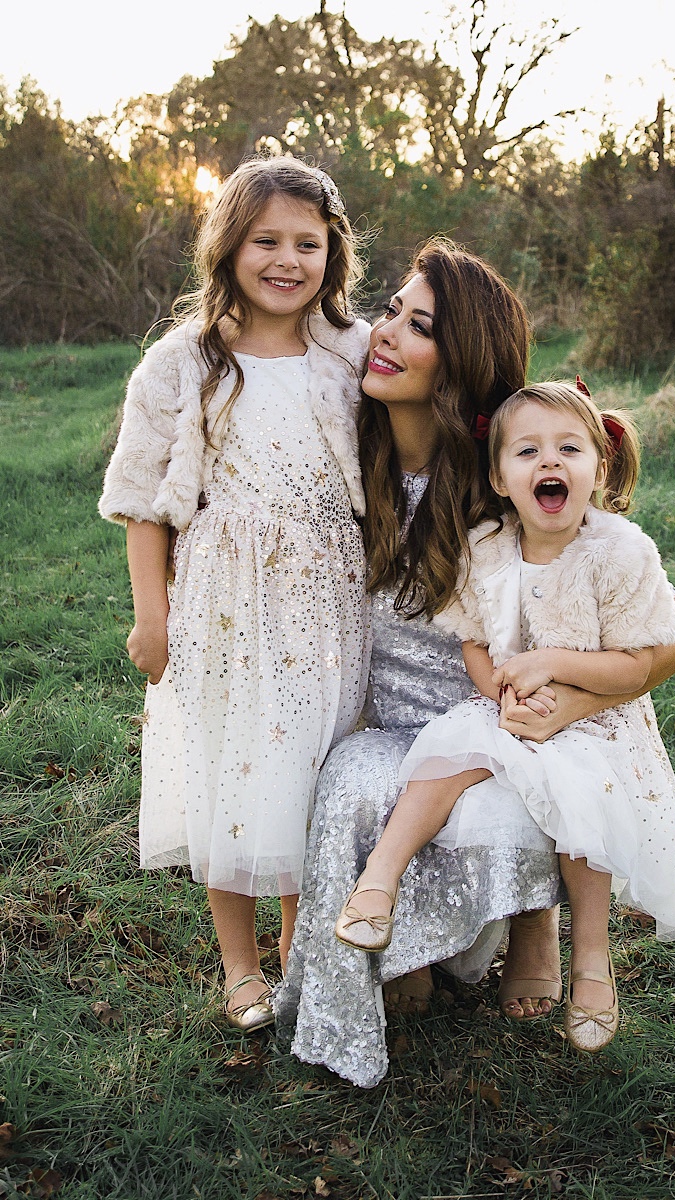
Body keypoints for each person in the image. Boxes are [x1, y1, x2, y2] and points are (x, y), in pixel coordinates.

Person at [273, 240, 675, 1086]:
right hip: (387, 716)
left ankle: (538, 921)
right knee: (353, 785)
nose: (385, 331)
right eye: (389, 309)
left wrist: (568, 707)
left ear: (461, 361)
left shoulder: (506, 471)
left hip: (508, 713)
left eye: (417, 324)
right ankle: (392, 958)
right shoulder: (346, 452)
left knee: (534, 778)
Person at [337, 380, 675, 1053]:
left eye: (569, 448)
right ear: (499, 478)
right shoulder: (489, 545)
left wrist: (554, 665)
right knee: (443, 760)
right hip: (507, 705)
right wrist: (499, 687)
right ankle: (379, 881)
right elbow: (474, 637)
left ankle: (590, 959)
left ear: (601, 465)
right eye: (527, 451)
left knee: (584, 808)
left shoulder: (619, 551)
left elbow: (636, 665)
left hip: (596, 720)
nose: (549, 463)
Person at [99, 156, 371, 1032]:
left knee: (313, 769)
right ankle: (240, 965)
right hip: (226, 600)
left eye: (308, 242)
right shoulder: (183, 363)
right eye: (266, 241)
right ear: (228, 246)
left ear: (333, 251)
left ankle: (300, 953)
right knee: (237, 769)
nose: (287, 260)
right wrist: (153, 616)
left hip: (332, 597)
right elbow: (145, 503)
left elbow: (429, 411)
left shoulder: (350, 352)